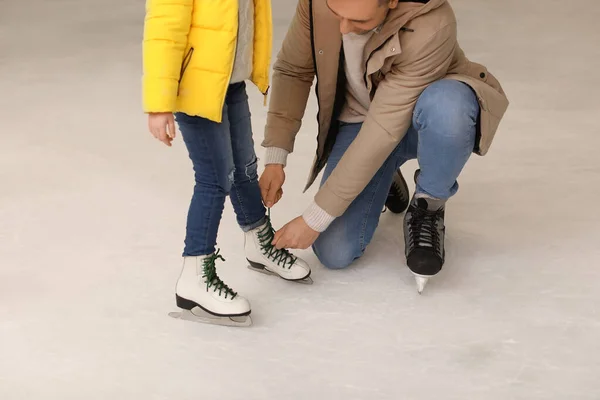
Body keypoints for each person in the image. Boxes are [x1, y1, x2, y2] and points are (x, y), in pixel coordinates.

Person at [258, 0, 509, 292]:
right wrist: (276, 155)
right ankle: (383, 173)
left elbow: (384, 129)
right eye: (336, 14)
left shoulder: (433, 22)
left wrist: (313, 218)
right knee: (334, 250)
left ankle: (428, 204)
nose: (343, 28)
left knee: (449, 109)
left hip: (422, 120)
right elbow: (293, 69)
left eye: (359, 23)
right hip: (361, 122)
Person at [142, 0, 311, 327]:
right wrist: (159, 103)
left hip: (229, 81)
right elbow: (163, 29)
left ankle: (259, 244)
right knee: (214, 179)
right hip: (195, 86)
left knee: (245, 167)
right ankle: (195, 276)